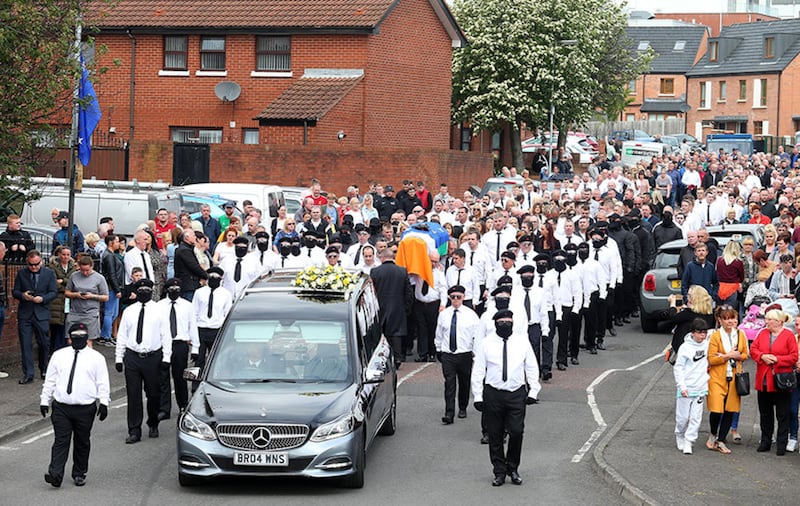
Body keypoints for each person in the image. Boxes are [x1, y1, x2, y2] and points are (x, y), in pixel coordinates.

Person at [471, 309, 540, 486]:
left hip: (516, 392)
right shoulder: (486, 343)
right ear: (495, 324)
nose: (505, 325)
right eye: (501, 323)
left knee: (516, 432)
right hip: (493, 392)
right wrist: (478, 395)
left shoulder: (522, 342)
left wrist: (533, 390)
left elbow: (531, 366)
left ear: (512, 323)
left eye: (508, 322)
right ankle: (499, 471)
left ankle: (513, 467)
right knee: (495, 435)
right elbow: (478, 370)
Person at [39, 323, 110, 488]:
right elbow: (50, 380)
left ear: (87, 337)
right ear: (70, 338)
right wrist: (44, 400)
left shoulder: (97, 358)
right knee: (61, 440)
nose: (78, 339)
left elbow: (103, 383)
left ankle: (79, 472)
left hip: (85, 408)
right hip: (62, 406)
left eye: (81, 336)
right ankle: (55, 473)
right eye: (75, 336)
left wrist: (104, 402)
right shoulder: (59, 355)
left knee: (82, 441)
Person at [114, 278, 172, 444]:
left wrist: (166, 357)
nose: (143, 293)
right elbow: (123, 335)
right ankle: (134, 430)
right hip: (133, 356)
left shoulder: (159, 310)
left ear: (151, 291)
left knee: (153, 394)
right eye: (140, 290)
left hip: (153, 357)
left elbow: (166, 335)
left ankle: (153, 422)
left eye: (146, 290)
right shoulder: (130, 311)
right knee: (133, 395)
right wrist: (119, 357)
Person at [750, 308, 798, 455]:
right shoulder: (763, 333)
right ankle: (765, 441)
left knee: (783, 414)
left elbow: (793, 356)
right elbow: (753, 349)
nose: (767, 322)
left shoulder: (788, 336)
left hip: (781, 380)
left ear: (779, 322)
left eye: (770, 319)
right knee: (765, 413)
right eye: (767, 319)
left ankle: (782, 444)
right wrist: (762, 356)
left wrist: (778, 359)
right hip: (764, 379)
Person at [705, 305, 748, 454]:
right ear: (720, 320)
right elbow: (711, 358)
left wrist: (737, 356)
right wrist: (727, 356)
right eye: (727, 318)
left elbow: (744, 354)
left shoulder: (741, 334)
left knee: (730, 409)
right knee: (716, 409)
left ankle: (721, 440)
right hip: (718, 376)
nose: (731, 321)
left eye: (733, 318)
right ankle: (712, 433)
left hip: (735, 376)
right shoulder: (716, 336)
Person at [434, 285, 480, 425]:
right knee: (449, 383)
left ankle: (463, 406)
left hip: (464, 353)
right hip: (448, 353)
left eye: (458, 297)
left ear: (463, 297)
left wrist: (476, 353)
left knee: (464, 382)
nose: (455, 300)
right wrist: (438, 348)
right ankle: (449, 412)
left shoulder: (471, 315)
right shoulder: (444, 314)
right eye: (453, 297)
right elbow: (439, 333)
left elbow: (476, 336)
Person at [13, 250, 58, 384]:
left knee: (44, 343)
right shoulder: (22, 273)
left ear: (41, 262)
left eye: (36, 264)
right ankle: (28, 374)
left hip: (41, 313)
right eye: (31, 265)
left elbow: (53, 292)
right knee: (25, 344)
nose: (33, 267)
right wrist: (23, 295)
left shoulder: (49, 273)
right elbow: (15, 291)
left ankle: (44, 368)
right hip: (25, 313)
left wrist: (43, 298)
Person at [157, 278, 198, 419]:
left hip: (180, 343)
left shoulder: (187, 306)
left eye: (177, 290)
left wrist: (196, 348)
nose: (174, 292)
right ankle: (164, 408)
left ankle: (183, 405)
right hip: (163, 344)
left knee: (180, 377)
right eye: (171, 290)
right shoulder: (159, 306)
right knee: (163, 377)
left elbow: (192, 327)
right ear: (167, 290)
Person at [370, 247, 413, 368]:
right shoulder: (402, 271)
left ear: (382, 258)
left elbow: (372, 292)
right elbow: (408, 292)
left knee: (381, 335)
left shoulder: (375, 272)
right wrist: (406, 308)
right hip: (398, 308)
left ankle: (380, 360)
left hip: (380, 307)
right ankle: (398, 358)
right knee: (396, 335)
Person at [673, 318, 710, 455]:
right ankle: (680, 434)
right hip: (686, 387)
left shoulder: (707, 345)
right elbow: (679, 368)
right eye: (699, 333)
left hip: (700, 387)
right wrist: (681, 386)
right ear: (693, 333)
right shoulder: (685, 347)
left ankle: (689, 440)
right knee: (683, 417)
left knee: (695, 417)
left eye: (704, 333)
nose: (702, 336)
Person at [192, 267, 233, 375]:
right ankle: (195, 386)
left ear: (220, 279)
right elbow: (194, 312)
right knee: (199, 360)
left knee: (216, 361)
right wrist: (192, 332)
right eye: (211, 277)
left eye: (216, 277)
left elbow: (227, 313)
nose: (213, 279)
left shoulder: (226, 294)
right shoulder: (199, 292)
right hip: (201, 329)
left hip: (216, 330)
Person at [64, 254, 109, 346]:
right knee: (70, 340)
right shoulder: (74, 276)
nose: (84, 273)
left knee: (88, 340)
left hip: (90, 313)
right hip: (75, 312)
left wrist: (92, 296)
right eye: (82, 270)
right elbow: (67, 292)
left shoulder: (99, 278)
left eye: (87, 270)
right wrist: (76, 294)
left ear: (92, 266)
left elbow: (105, 297)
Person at [667, 286, 716, 357]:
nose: (687, 297)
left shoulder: (688, 313)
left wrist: (672, 304)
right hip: (702, 349)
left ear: (695, 298)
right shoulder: (710, 314)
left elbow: (673, 318)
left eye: (689, 295)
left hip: (685, 348)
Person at [48, 246, 76, 352]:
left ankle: (62, 349)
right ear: (59, 255)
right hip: (56, 301)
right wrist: (66, 283)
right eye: (64, 254)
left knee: (66, 325)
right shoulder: (52, 267)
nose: (66, 257)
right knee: (56, 327)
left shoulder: (73, 267)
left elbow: (74, 284)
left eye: (68, 255)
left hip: (68, 301)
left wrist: (62, 281)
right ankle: (54, 350)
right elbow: (53, 284)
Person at [100, 234, 124, 346]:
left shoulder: (110, 255)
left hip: (112, 287)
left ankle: (106, 335)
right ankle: (105, 336)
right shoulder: (109, 256)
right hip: (111, 287)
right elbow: (111, 274)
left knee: (113, 313)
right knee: (110, 313)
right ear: (111, 243)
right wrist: (117, 289)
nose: (119, 244)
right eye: (117, 241)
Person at [174, 229, 208, 301]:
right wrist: (207, 276)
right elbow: (194, 266)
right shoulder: (184, 250)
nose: (195, 238)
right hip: (188, 285)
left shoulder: (188, 249)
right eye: (193, 235)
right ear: (186, 237)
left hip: (191, 284)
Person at [716, 241, 745, 308]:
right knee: (730, 312)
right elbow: (741, 277)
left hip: (720, 287)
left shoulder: (719, 260)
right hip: (732, 288)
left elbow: (717, 273)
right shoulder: (738, 262)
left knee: (719, 310)